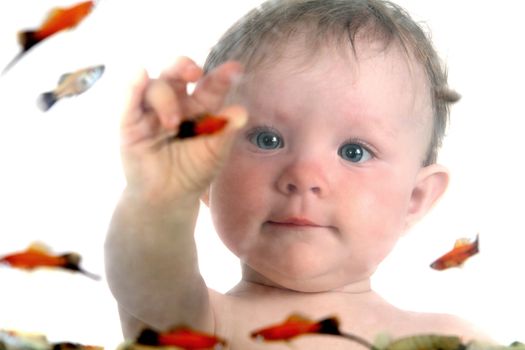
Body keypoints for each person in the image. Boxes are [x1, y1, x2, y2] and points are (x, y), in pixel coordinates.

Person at [105, 0, 491, 348]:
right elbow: (145, 278)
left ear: (415, 199)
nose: (304, 175)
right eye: (268, 139)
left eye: (354, 152)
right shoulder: (200, 325)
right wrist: (158, 196)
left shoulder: (449, 341)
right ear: (208, 175)